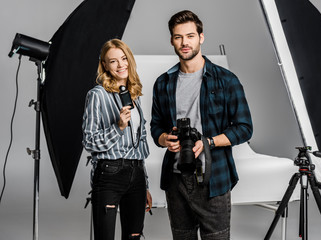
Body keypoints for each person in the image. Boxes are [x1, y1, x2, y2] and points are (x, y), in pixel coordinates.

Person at [150, 10, 253, 239]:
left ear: (201, 37)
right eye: (178, 37)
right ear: (172, 40)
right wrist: (163, 138)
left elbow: (245, 128)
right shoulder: (163, 83)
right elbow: (156, 125)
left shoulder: (226, 80)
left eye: (190, 36)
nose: (184, 42)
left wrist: (208, 142)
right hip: (176, 179)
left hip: (214, 178)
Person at [82, 39, 152, 240]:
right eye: (113, 61)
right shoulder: (97, 95)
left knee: (133, 237)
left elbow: (140, 142)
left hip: (136, 174)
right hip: (109, 174)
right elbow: (89, 141)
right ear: (105, 65)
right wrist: (118, 127)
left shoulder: (134, 95)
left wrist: (144, 184)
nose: (121, 65)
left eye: (123, 59)